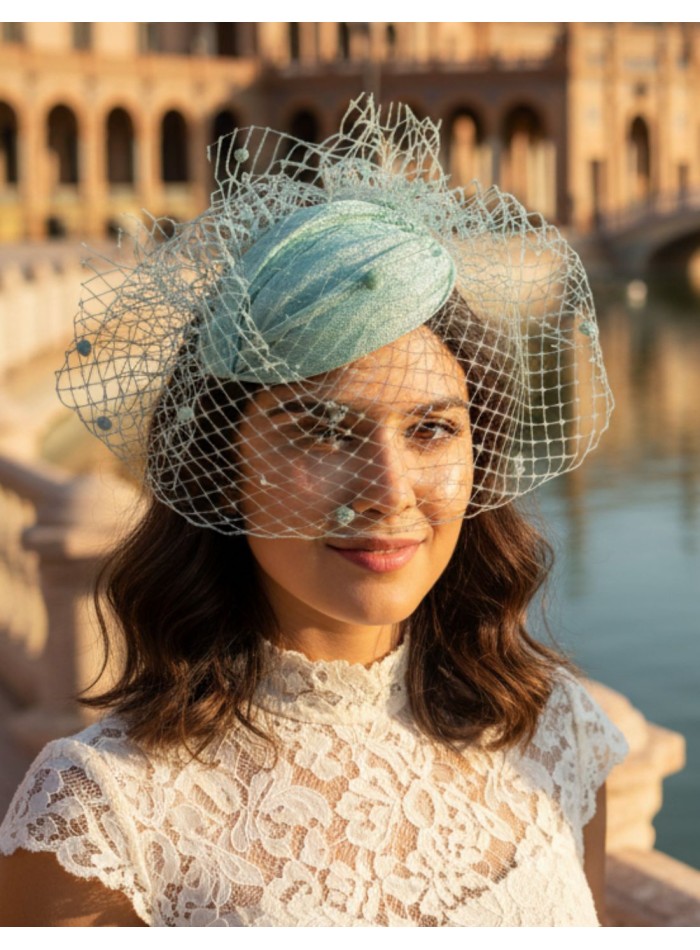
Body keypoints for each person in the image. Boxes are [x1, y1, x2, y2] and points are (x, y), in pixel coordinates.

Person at [0, 97, 627, 927]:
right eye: (322, 432)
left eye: (432, 429)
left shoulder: (555, 735)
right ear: (221, 467)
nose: (390, 489)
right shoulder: (102, 818)